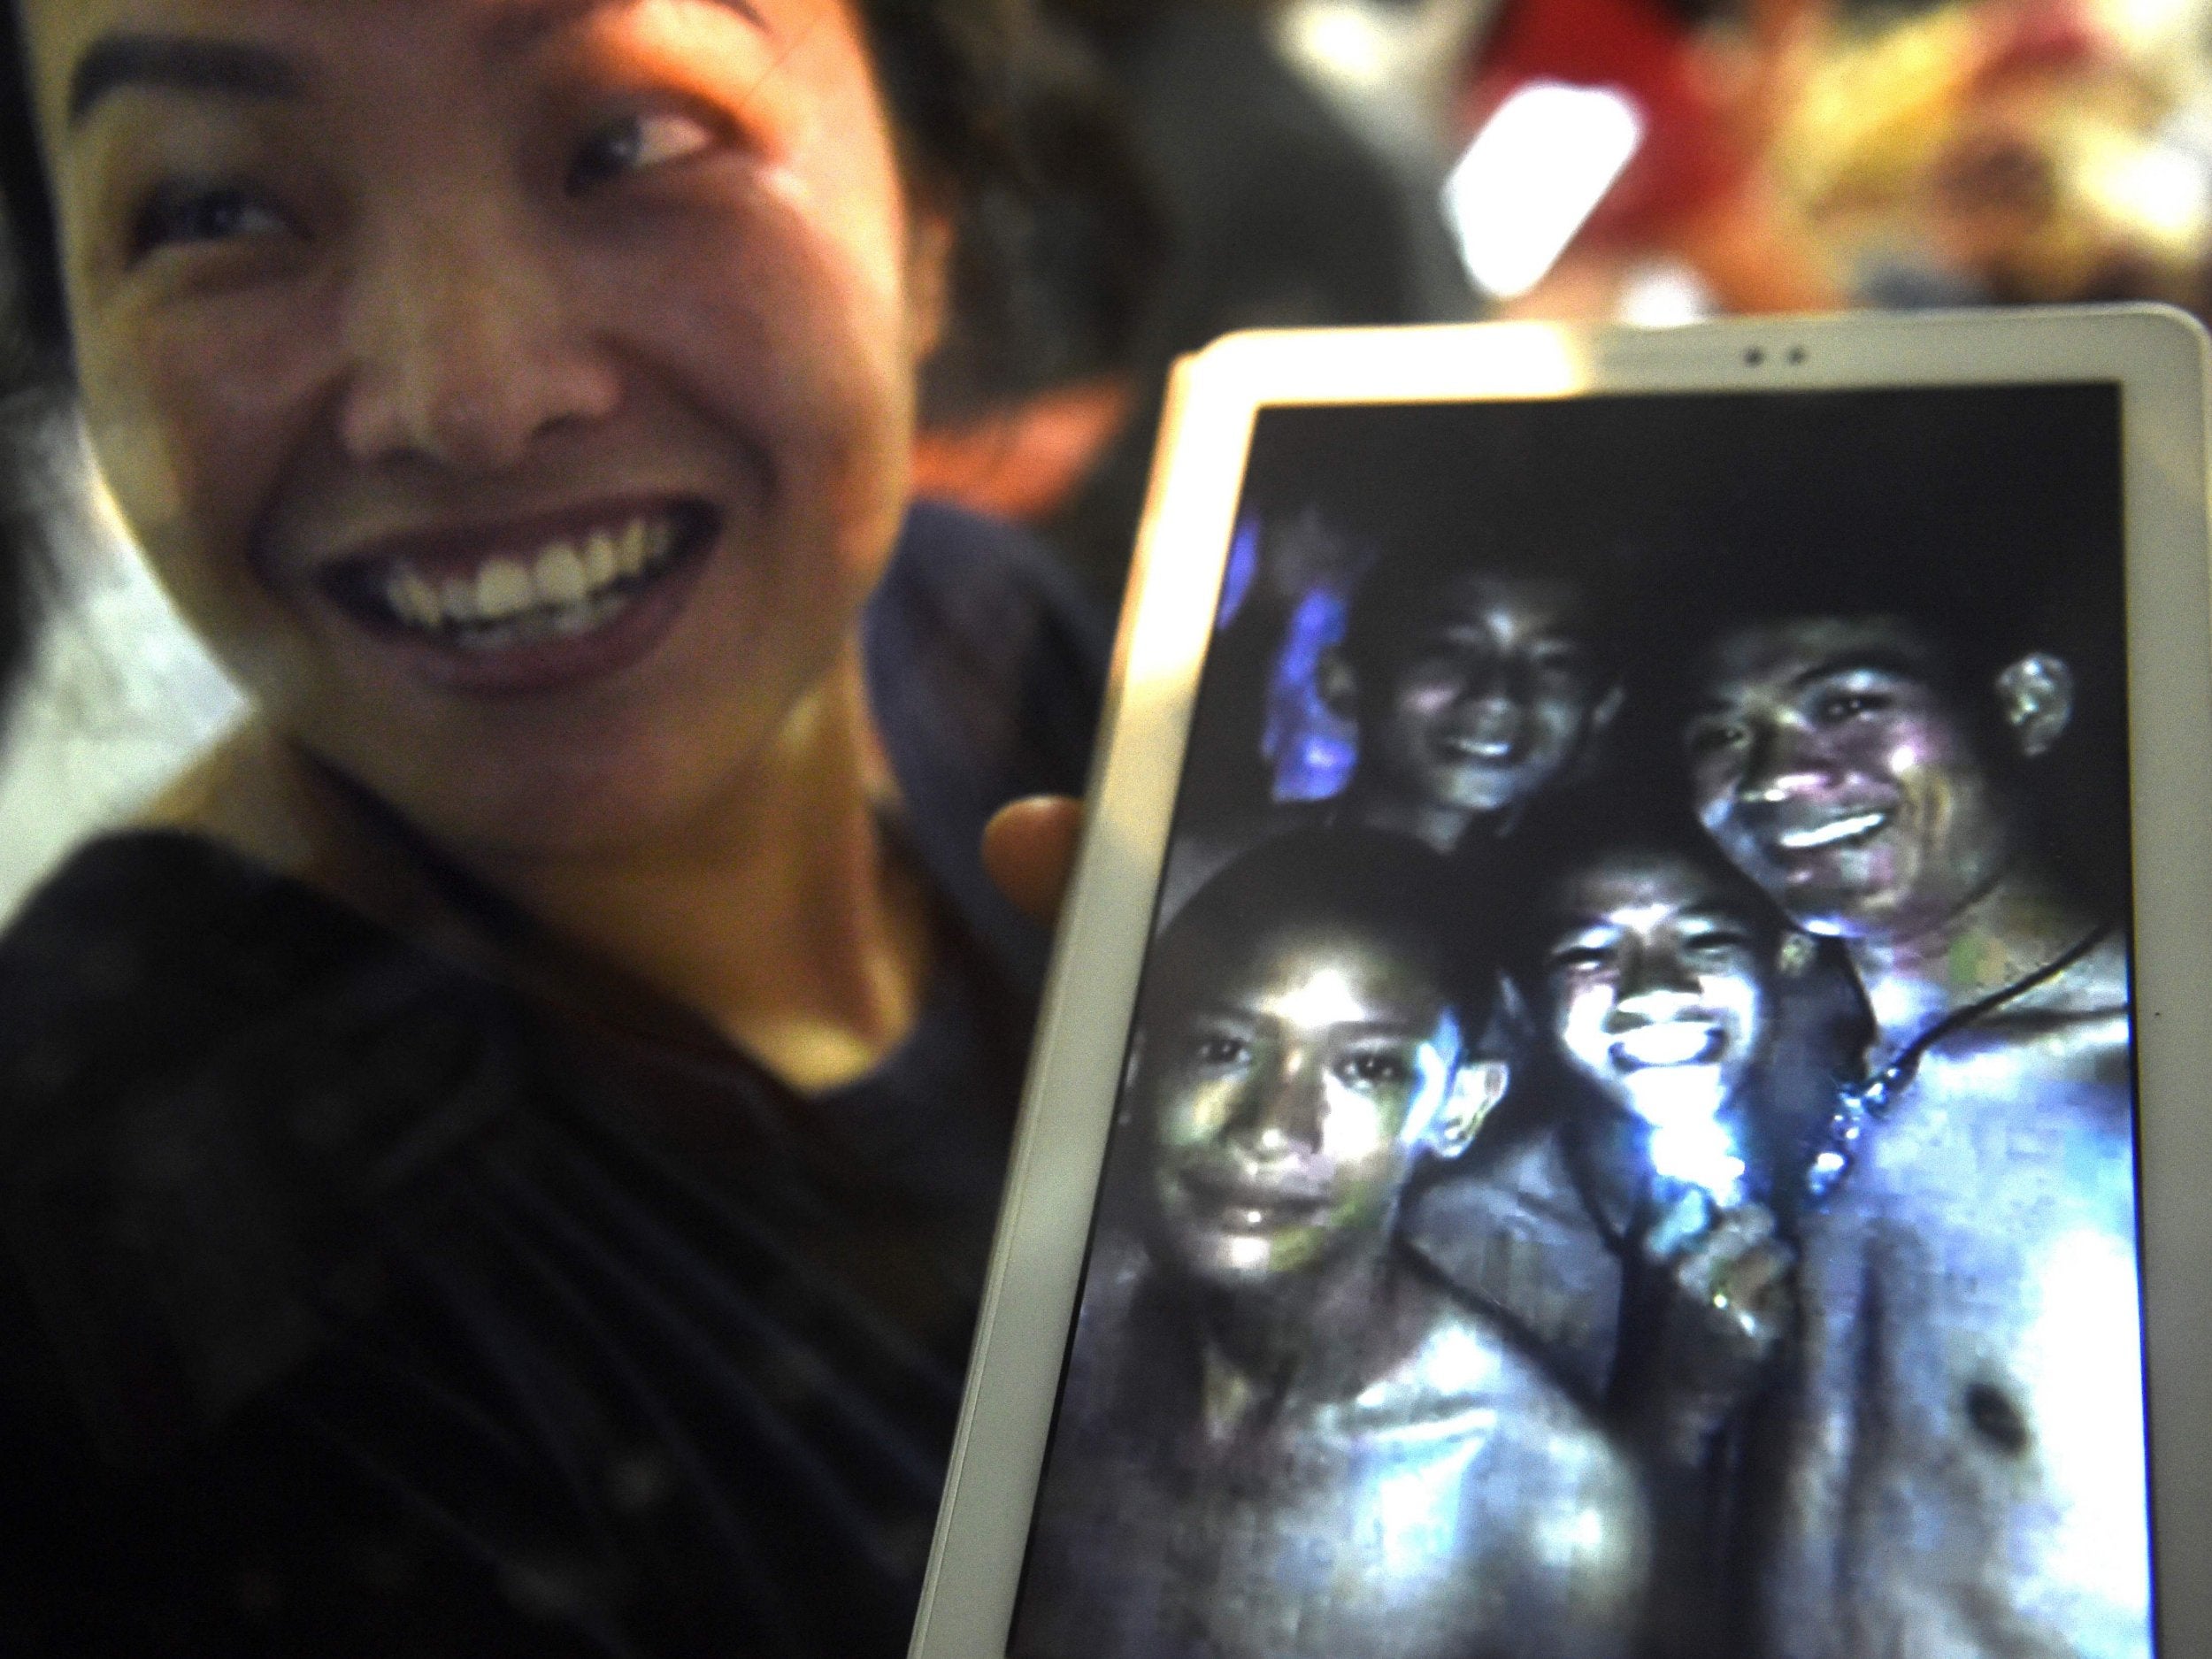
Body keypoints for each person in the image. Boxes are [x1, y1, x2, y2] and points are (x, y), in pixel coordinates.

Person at [0, 0, 1123, 1652]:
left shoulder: (988, 638)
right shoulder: (103, 1274)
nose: (469, 393)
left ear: (930, 207)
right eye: (216, 208)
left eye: (633, 140)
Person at [1012, 828, 1651, 1659]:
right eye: (1223, 1049)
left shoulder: (1549, 1501)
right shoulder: (1050, 1329)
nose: (1272, 1128)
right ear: (1137, 1070)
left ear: (1460, 1106)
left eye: (1370, 1069)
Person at [1684, 611, 2150, 1659]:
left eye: (1847, 705)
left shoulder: (2139, 1103)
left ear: (2026, 704)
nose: (1769, 777)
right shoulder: (1777, 1063)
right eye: (1719, 734)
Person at [1158, 548, 1623, 915]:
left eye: (1555, 662)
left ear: (1600, 709)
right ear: (1341, 681)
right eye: (1449, 650)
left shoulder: (1585, 918)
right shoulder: (1202, 877)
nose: (1498, 695)